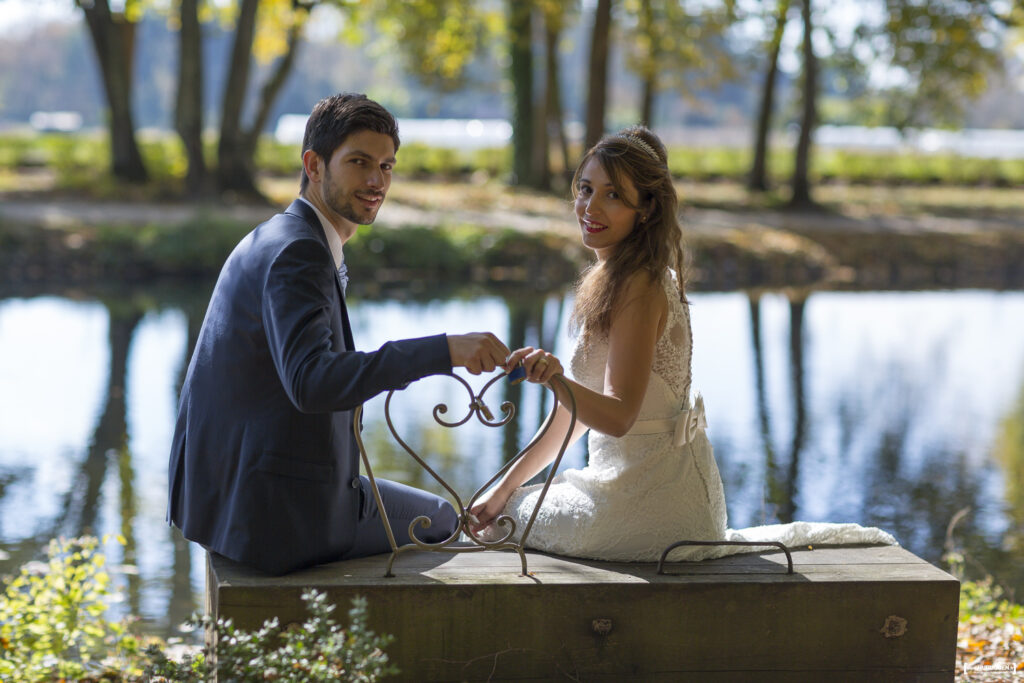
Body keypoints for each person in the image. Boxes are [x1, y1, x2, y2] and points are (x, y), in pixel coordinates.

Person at [470, 126, 894, 561]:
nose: (590, 207)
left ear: (647, 209)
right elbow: (572, 418)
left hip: (651, 513)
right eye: (585, 189)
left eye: (613, 195)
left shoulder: (639, 285)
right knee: (503, 505)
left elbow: (618, 417)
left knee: (493, 527)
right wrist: (504, 487)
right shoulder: (621, 275)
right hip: (657, 495)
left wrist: (554, 377)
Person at [167, 93, 510, 575]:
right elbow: (311, 381)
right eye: (359, 163)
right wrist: (444, 350)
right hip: (274, 512)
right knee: (441, 519)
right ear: (314, 164)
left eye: (387, 167)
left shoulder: (279, 234)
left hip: (233, 496)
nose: (376, 181)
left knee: (432, 514)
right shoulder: (299, 253)